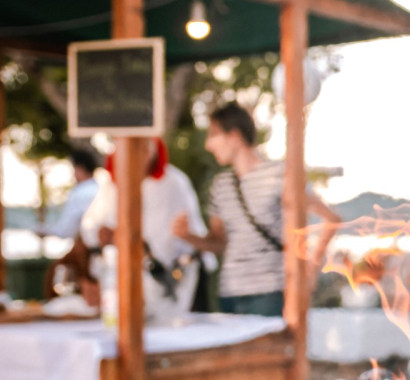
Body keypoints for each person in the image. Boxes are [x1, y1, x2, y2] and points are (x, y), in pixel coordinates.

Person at [176, 103, 341, 316]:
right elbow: (219, 242)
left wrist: (310, 271)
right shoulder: (221, 185)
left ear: (234, 136)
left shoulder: (279, 174)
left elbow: (331, 219)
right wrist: (188, 236)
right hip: (229, 293)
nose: (208, 144)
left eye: (213, 135)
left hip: (271, 293)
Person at [81, 138, 210, 312]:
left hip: (170, 286)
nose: (139, 155)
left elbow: (194, 236)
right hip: (122, 283)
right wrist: (100, 234)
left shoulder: (174, 182)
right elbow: (90, 226)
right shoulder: (111, 185)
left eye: (144, 149)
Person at [40, 147, 100, 240]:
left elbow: (66, 230)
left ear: (80, 168)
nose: (73, 174)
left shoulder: (80, 193)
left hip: (89, 248)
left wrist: (44, 230)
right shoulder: (100, 188)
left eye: (73, 169)